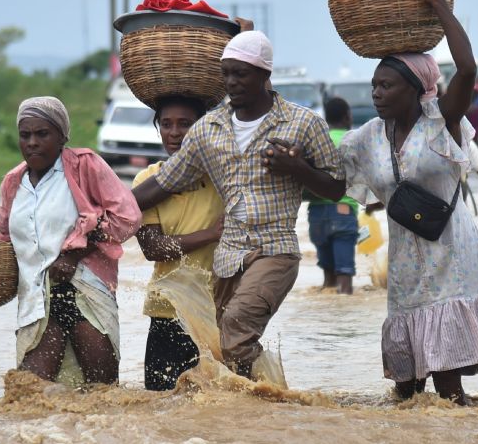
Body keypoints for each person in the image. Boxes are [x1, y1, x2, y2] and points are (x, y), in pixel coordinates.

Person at [340, 0, 478, 405]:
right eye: (375, 85)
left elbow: (469, 69)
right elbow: (334, 188)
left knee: (446, 390)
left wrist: (437, 1)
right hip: (406, 260)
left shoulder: (442, 121)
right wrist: (292, 165)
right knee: (405, 391)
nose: (377, 93)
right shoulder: (367, 136)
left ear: (417, 89)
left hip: (451, 252)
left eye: (387, 86)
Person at [132, 30, 345, 378]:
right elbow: (165, 182)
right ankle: (260, 403)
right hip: (228, 257)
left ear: (265, 74)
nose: (231, 82)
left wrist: (297, 168)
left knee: (235, 329)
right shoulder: (207, 130)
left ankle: (263, 400)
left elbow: (337, 187)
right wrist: (109, 206)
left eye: (241, 73)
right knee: (226, 348)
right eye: (226, 73)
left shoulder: (303, 123)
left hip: (274, 248)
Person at [0, 97, 141, 384]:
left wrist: (74, 253)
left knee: (102, 394)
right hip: (36, 298)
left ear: (62, 136)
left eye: (42, 134)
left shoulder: (85, 167)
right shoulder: (14, 182)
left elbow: (128, 216)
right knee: (31, 394)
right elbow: (4, 236)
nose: (32, 142)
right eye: (25, 135)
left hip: (86, 293)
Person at [132, 96, 224, 391]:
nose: (174, 132)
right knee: (161, 406)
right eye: (166, 124)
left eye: (185, 124)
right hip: (166, 312)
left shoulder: (221, 176)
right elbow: (153, 248)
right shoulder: (148, 180)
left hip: (217, 310)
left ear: (202, 128)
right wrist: (212, 233)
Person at [307, 97, 359, 295]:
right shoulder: (352, 140)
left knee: (328, 276)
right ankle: (342, 315)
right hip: (343, 211)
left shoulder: (318, 141)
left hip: (316, 213)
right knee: (344, 272)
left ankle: (328, 320)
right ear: (347, 117)